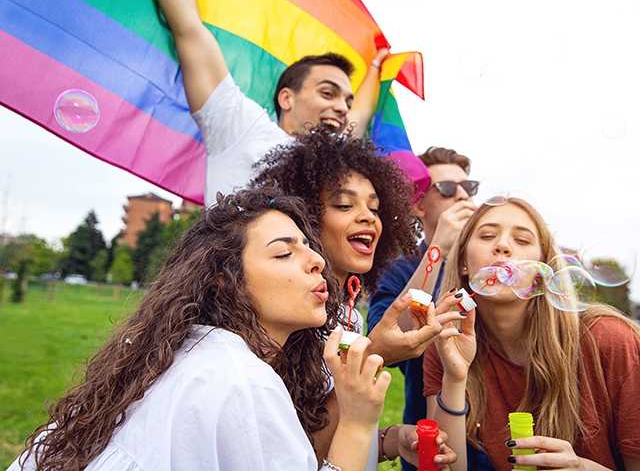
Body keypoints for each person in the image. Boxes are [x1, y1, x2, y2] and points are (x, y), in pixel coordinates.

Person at [8, 189, 392, 471]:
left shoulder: (181, 354)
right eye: (283, 252)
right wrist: (357, 421)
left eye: (309, 247)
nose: (316, 262)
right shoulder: (241, 379)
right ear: (226, 282)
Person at [251, 128, 462, 468]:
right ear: (303, 216)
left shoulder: (349, 317)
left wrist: (391, 440)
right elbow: (297, 452)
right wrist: (374, 352)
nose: (367, 217)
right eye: (344, 204)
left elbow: (345, 436)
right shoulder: (279, 323)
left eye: (375, 208)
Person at [424, 197, 640, 470]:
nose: (502, 245)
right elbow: (444, 466)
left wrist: (582, 468)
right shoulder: (447, 344)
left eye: (523, 240)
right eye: (488, 235)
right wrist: (455, 378)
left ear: (542, 270)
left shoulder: (608, 339)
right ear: (464, 263)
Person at [157, 0, 388, 205]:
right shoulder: (241, 126)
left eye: (348, 102)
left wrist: (377, 66)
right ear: (286, 99)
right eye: (328, 93)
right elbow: (190, 32)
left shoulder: (334, 158)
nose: (342, 109)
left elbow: (361, 113)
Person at [366, 147, 478, 471]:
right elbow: (394, 337)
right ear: (418, 205)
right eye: (445, 188)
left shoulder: (492, 266)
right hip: (432, 452)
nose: (461, 195)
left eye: (468, 188)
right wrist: (437, 251)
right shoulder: (399, 271)